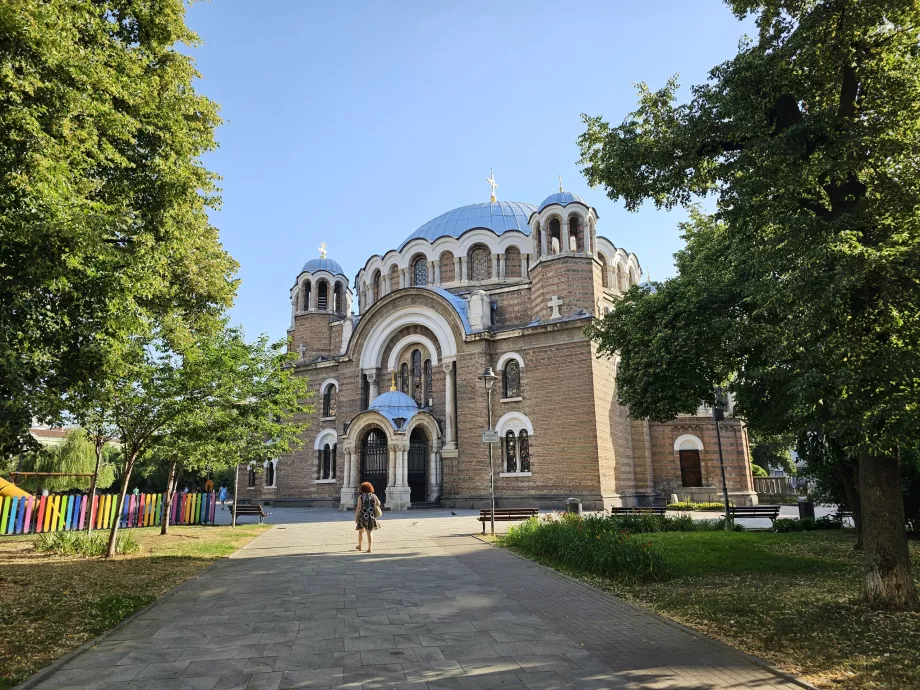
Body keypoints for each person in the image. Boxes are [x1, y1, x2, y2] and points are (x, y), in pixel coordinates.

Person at [355, 482, 380, 553]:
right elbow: (379, 503)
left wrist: (356, 517)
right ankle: (370, 548)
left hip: (362, 516)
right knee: (369, 532)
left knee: (360, 531)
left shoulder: (361, 497)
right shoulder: (373, 496)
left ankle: (360, 546)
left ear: (362, 489)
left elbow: (359, 507)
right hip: (371, 516)